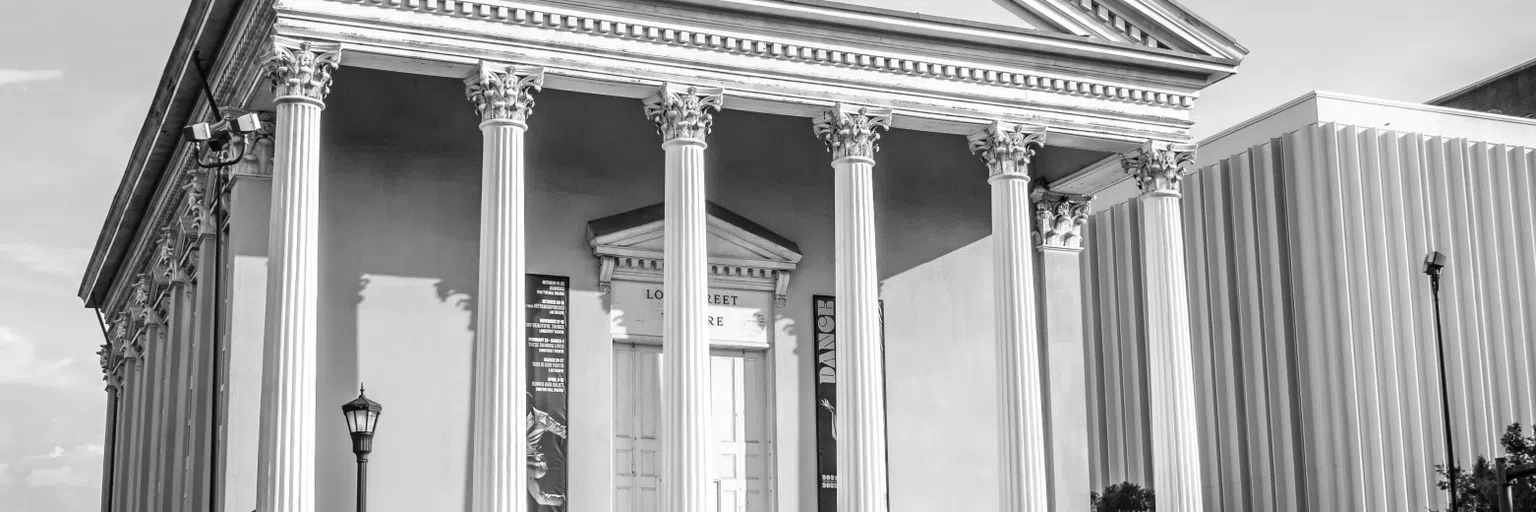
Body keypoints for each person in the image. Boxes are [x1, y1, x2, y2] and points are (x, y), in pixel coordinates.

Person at [528, 399, 569, 510]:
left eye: (526, 403)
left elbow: (562, 431)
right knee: (540, 499)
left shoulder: (542, 418)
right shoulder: (512, 416)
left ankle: (565, 501)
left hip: (533, 462)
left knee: (540, 498)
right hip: (516, 462)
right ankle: (563, 500)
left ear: (529, 404)